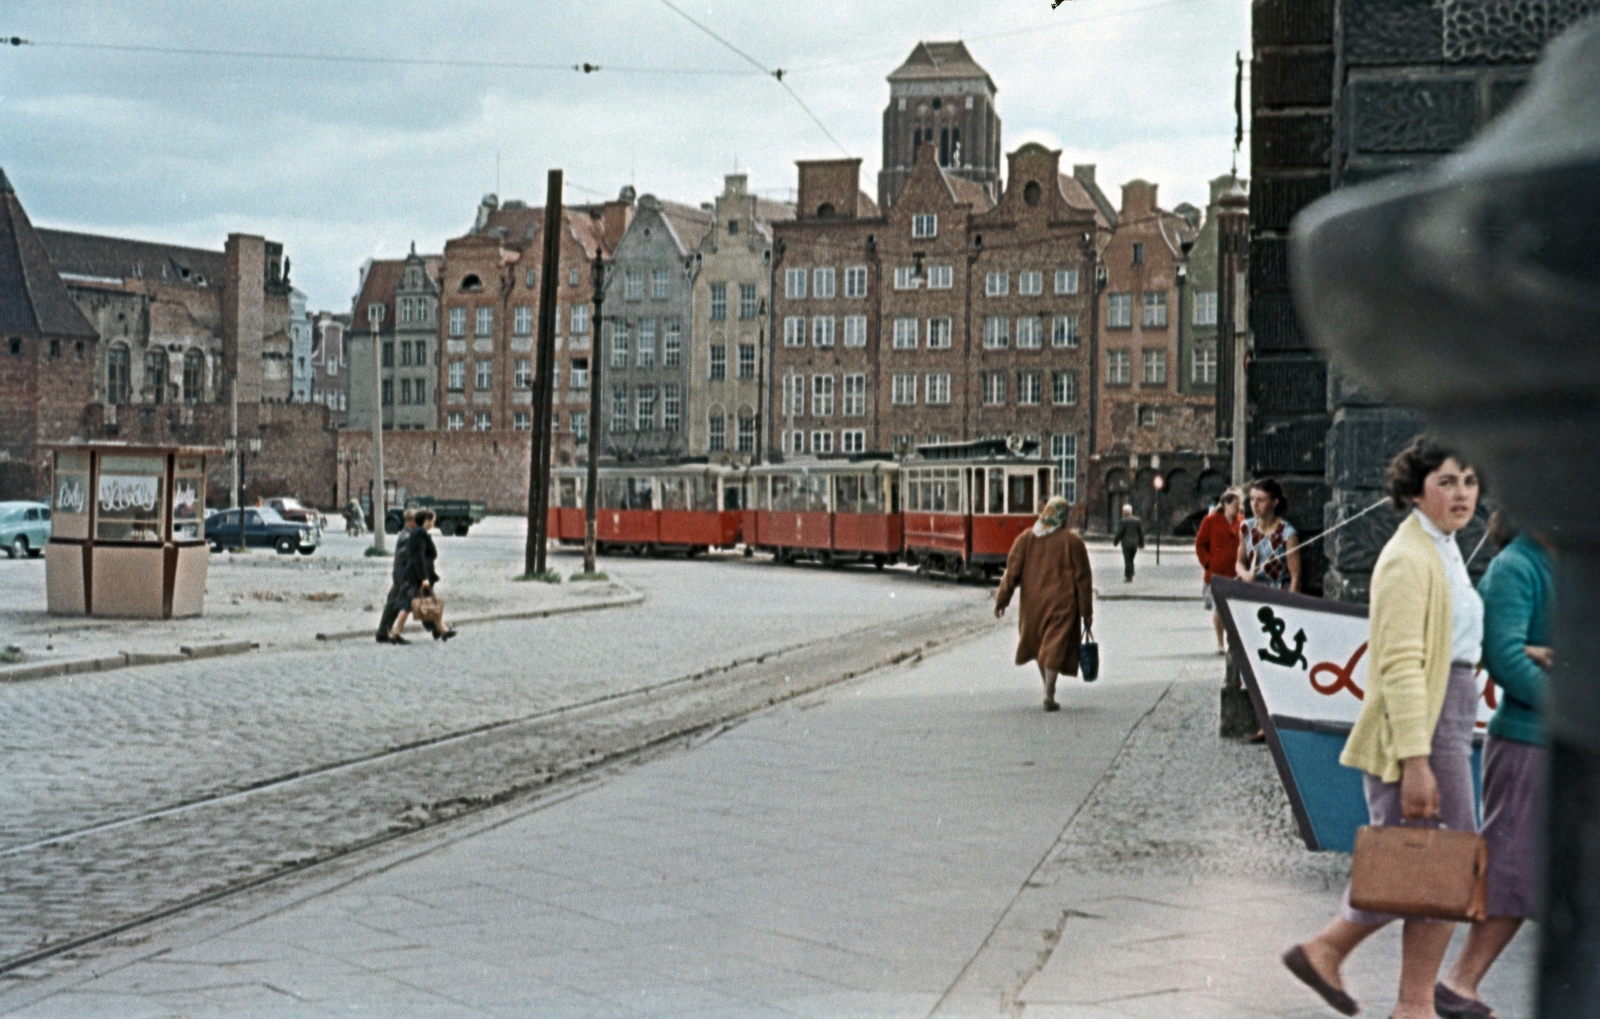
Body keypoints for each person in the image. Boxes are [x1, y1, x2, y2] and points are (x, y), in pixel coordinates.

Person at [1283, 437, 1483, 1019]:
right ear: (1415, 490)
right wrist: (1416, 759)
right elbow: (1397, 664)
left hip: (1444, 710)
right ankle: (1349, 965)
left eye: (1470, 481)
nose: (1462, 494)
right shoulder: (1407, 558)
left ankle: (1399, 997)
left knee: (1430, 861)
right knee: (1442, 857)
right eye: (1447, 482)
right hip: (1425, 720)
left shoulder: (1441, 548)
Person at [1436, 511, 1553, 1019]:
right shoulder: (1517, 566)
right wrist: (1575, 701)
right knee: (1512, 867)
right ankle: (1459, 983)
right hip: (1529, 743)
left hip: (1565, 744)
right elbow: (1504, 657)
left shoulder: (1571, 564)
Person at [994, 496, 1094, 711]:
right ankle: (1049, 690)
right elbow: (1083, 580)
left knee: (1040, 645)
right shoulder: (1073, 542)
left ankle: (1047, 688)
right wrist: (1086, 612)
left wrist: (1002, 599)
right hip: (1063, 604)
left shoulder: (1026, 539)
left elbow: (1012, 572)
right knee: (1054, 645)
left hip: (1033, 605)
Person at [1195, 489, 1244, 653]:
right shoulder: (1211, 521)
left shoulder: (1242, 521)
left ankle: (1233, 642)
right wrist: (1207, 562)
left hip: (1236, 572)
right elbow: (1200, 544)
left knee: (1235, 609)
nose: (1238, 509)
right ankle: (1220, 643)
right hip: (1217, 571)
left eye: (1239, 505)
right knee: (1219, 608)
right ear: (1225, 504)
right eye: (1235, 505)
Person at [1237, 478, 1301, 592]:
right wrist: (1245, 574)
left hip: (1277, 593)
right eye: (1252, 499)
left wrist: (1290, 600)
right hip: (1252, 590)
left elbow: (1295, 579)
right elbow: (1239, 563)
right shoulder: (1246, 527)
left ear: (1274, 502)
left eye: (1260, 500)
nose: (1254, 505)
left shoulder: (1287, 534)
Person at [375, 509, 417, 643]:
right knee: (394, 604)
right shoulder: (406, 536)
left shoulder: (408, 535)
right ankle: (384, 632)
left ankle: (384, 632)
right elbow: (405, 557)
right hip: (401, 575)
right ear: (410, 521)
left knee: (394, 604)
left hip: (402, 575)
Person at [1111, 504, 1144, 583]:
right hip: (1134, 544)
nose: (1122, 512)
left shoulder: (1123, 521)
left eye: (1123, 511)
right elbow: (1140, 533)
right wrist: (1141, 543)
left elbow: (1119, 532)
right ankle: (1131, 573)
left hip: (1126, 544)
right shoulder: (1137, 520)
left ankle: (1128, 576)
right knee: (1131, 559)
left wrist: (1115, 542)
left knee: (1127, 560)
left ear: (1126, 511)